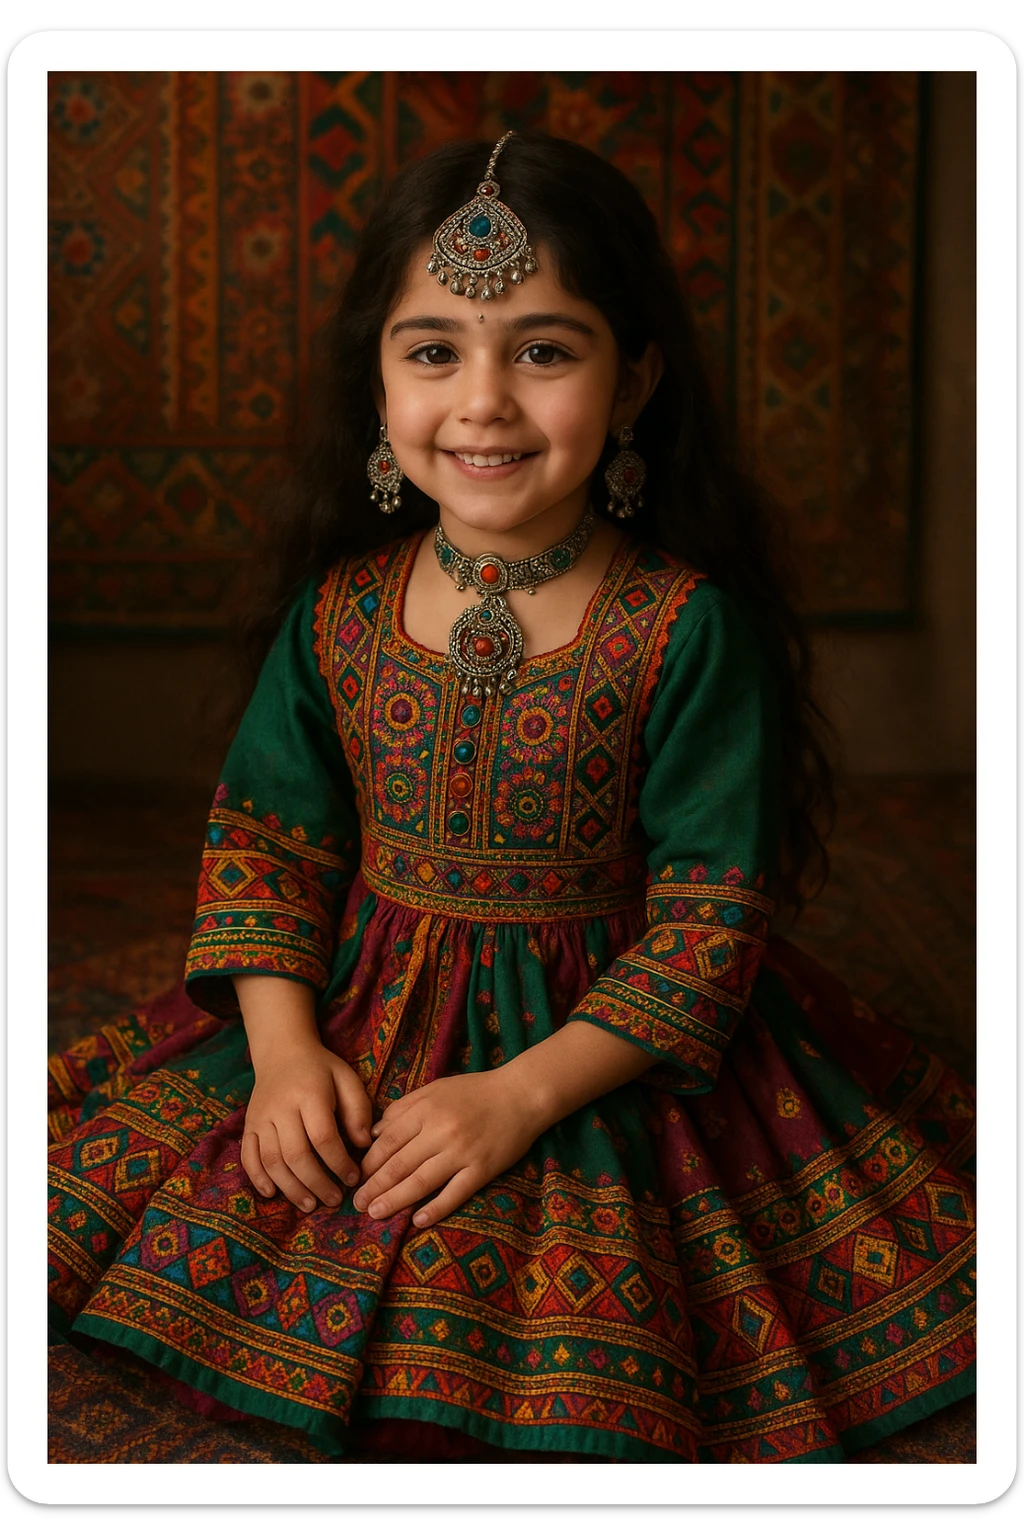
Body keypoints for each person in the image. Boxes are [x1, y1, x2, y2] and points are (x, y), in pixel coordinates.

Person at [47, 131, 976, 1465]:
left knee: (531, 1280)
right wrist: (288, 1054)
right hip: (362, 1005)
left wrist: (523, 1096)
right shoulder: (341, 614)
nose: (483, 402)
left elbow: (714, 920)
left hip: (609, 1041)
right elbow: (266, 845)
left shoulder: (684, 628)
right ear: (378, 385)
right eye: (434, 352)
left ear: (636, 379)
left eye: (543, 351)